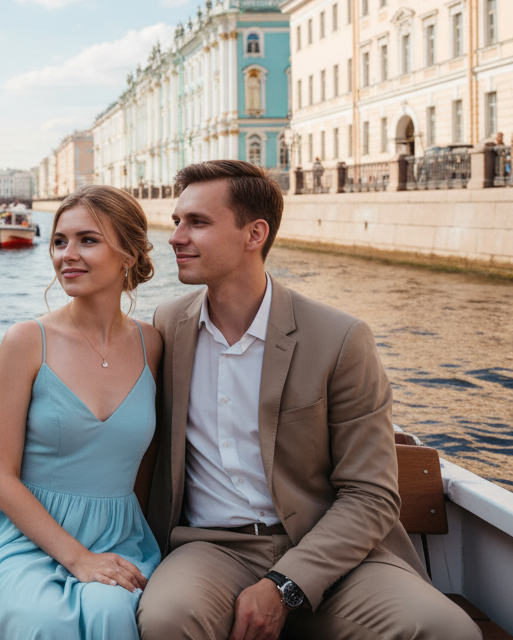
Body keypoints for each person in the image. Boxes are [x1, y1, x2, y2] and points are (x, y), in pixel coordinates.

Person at [137, 160, 478, 640]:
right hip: (210, 549)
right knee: (167, 619)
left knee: (447, 630)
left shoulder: (340, 338)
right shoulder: (167, 325)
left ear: (255, 234)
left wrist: (285, 585)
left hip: (331, 550)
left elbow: (371, 493)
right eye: (177, 221)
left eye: (197, 222)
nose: (175, 236)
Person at [0, 185, 163, 640]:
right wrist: (79, 559)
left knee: (111, 613)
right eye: (60, 241)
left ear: (128, 254)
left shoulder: (153, 344)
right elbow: (0, 477)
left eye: (87, 240)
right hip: (21, 538)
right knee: (42, 622)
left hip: (119, 537)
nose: (67, 254)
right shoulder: (26, 341)